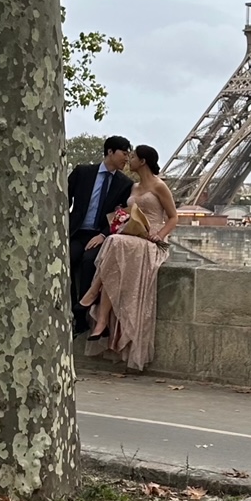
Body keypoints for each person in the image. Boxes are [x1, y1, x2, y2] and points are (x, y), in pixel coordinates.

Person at [79, 144, 178, 371]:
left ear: (142, 161)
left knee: (114, 242)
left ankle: (94, 296)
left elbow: (173, 218)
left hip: (151, 242)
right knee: (115, 246)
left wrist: (158, 235)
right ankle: (102, 321)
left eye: (132, 157)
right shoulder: (133, 186)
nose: (129, 160)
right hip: (132, 238)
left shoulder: (160, 186)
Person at [68, 135, 133, 334]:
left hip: (100, 234)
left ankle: (82, 310)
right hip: (77, 232)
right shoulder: (83, 172)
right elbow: (63, 197)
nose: (127, 159)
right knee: (67, 261)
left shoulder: (125, 183)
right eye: (124, 153)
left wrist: (103, 235)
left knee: (90, 261)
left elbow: (120, 216)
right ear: (110, 152)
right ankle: (74, 310)